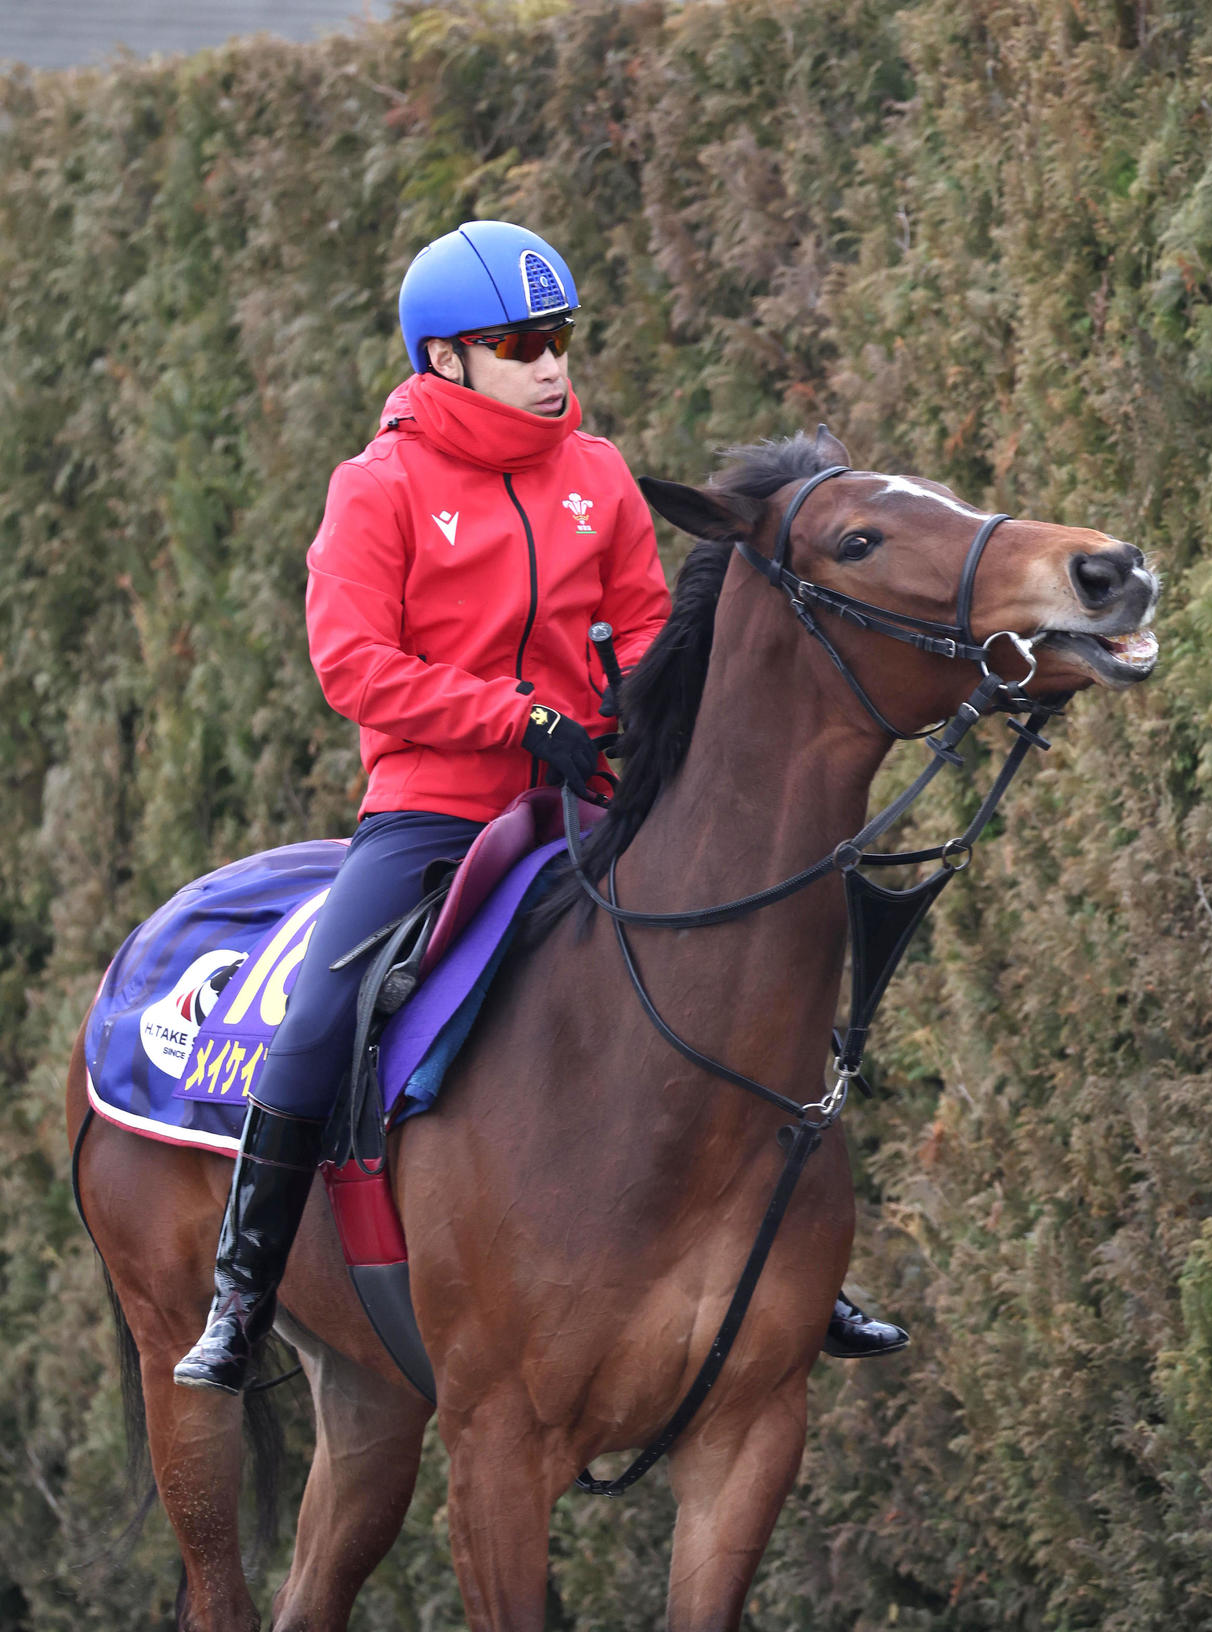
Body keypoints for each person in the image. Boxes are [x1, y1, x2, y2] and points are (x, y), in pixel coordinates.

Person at [174, 220, 907, 1395]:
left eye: (558, 338)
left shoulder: (598, 474)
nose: (551, 366)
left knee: (752, 966)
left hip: (590, 796)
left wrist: (634, 713)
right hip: (436, 806)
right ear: (445, 359)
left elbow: (649, 628)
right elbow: (352, 664)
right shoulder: (377, 487)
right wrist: (512, 718)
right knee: (318, 1014)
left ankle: (799, 1266)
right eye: (520, 346)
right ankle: (242, 1292)